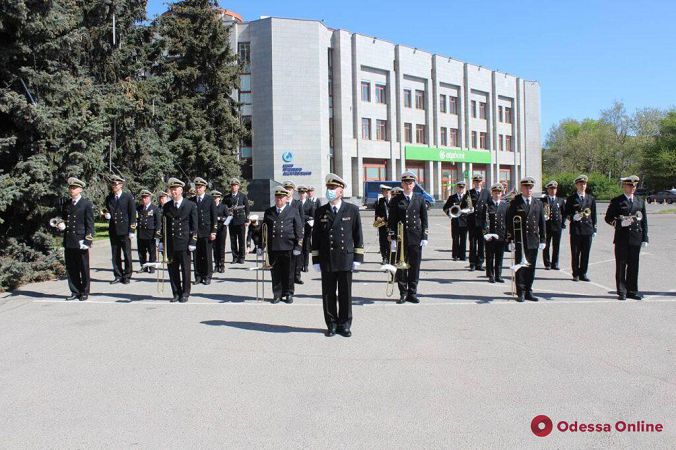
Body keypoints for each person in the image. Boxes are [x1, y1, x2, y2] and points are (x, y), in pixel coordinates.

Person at [312, 174, 364, 337]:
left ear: (341, 191)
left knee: (345, 293)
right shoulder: (320, 211)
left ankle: (345, 323)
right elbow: (316, 237)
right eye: (328, 188)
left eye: (333, 188)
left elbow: (358, 236)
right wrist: (315, 259)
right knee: (328, 293)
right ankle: (331, 323)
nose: (330, 191)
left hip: (345, 258)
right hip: (327, 258)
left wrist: (358, 258)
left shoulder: (352, 210)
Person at [604, 175, 649, 300]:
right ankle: (622, 291)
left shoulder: (640, 201)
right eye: (630, 185)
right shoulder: (617, 201)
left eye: (634, 186)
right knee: (621, 265)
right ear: (624, 186)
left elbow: (644, 220)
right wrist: (618, 223)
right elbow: (608, 218)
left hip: (636, 237)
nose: (632, 188)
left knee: (634, 265)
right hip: (622, 238)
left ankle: (632, 291)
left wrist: (645, 237)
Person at [388, 171, 429, 304]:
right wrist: (393, 237)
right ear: (402, 184)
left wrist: (424, 236)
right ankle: (403, 293)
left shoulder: (420, 199)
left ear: (414, 184)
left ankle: (412, 292)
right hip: (401, 238)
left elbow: (424, 219)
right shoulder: (395, 200)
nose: (408, 185)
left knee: (415, 266)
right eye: (406, 183)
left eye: (410, 183)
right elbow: (391, 220)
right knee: (401, 267)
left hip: (416, 237)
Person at [506, 176, 546, 302]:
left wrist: (543, 239)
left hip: (533, 239)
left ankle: (529, 290)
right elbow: (508, 222)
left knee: (531, 267)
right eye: (526, 187)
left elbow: (542, 223)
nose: (528, 189)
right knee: (520, 266)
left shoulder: (538, 203)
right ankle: (521, 292)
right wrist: (510, 239)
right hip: (520, 240)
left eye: (530, 187)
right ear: (521, 188)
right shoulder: (515, 202)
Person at [263, 187, 303, 304]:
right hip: (273, 247)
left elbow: (299, 230)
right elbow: (264, 230)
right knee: (275, 272)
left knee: (289, 272)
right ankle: (277, 294)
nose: (279, 200)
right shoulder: (269, 212)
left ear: (286, 198)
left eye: (281, 198)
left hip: (288, 247)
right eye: (277, 197)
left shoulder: (293, 211)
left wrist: (298, 246)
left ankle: (289, 293)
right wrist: (260, 245)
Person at [57, 177, 94, 301]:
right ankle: (75, 291)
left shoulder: (86, 204)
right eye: (70, 188)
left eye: (74, 188)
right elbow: (63, 218)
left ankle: (84, 291)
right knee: (71, 267)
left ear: (80, 189)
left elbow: (90, 224)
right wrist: (61, 225)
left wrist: (88, 240)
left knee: (83, 267)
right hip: (69, 239)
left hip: (81, 240)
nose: (71, 190)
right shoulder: (67, 204)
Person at [162, 178, 198, 303]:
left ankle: (185, 292)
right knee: (172, 270)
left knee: (185, 269)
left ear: (181, 190)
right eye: (171, 190)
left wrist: (193, 241)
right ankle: (176, 292)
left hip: (184, 242)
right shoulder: (167, 206)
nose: (173, 192)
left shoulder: (190, 205)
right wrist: (162, 242)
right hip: (171, 243)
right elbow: (164, 226)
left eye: (175, 190)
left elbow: (194, 226)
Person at [103, 174, 136, 284]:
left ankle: (127, 275)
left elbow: (132, 214)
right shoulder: (109, 198)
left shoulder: (128, 197)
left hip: (125, 229)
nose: (114, 186)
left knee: (127, 254)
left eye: (116, 184)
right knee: (115, 254)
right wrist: (106, 216)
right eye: (112, 184)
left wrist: (132, 230)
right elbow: (106, 211)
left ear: (121, 185)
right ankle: (117, 275)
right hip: (113, 229)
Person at [565, 174, 597, 282]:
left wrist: (594, 229)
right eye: (580, 184)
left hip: (587, 229)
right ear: (576, 185)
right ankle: (575, 273)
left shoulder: (591, 198)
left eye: (584, 184)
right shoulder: (571, 199)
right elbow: (566, 212)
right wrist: (572, 217)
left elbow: (594, 215)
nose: (582, 186)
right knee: (575, 252)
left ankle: (583, 273)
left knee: (585, 253)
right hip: (576, 229)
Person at [190, 177, 217, 285]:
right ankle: (198, 276)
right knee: (196, 255)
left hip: (207, 232)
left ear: (204, 188)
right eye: (196, 187)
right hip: (195, 232)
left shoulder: (210, 199)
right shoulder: (191, 201)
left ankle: (207, 275)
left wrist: (214, 231)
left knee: (207, 255)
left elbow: (214, 217)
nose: (198, 189)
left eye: (200, 187)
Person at [481, 183, 509, 283]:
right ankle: (491, 275)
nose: (497, 195)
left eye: (499, 193)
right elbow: (483, 221)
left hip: (501, 235)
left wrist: (507, 236)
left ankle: (498, 275)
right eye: (495, 192)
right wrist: (485, 234)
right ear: (492, 193)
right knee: (489, 256)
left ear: (501, 194)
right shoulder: (487, 205)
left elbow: (507, 221)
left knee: (499, 257)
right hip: (490, 235)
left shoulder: (505, 205)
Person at [282, 181, 305, 284]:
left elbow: (301, 218)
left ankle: (297, 275)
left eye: (290, 189)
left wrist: (301, 231)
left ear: (293, 191)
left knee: (297, 255)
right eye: (286, 189)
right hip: (286, 234)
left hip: (296, 233)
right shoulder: (281, 203)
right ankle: (287, 276)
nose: (288, 191)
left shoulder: (297, 203)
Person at [466, 175, 490, 271]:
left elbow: (490, 204)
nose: (477, 183)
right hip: (472, 222)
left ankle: (480, 263)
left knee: (481, 244)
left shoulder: (486, 192)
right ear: (473, 182)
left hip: (482, 222)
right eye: (476, 181)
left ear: (482, 182)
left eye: (479, 181)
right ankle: (472, 263)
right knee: (472, 244)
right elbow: (464, 205)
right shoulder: (469, 193)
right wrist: (468, 208)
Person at [541, 181, 566, 270]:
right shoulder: (543, 200)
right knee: (546, 246)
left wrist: (563, 223)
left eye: (554, 189)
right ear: (547, 190)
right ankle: (547, 264)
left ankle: (555, 263)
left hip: (557, 226)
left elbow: (564, 213)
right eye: (551, 189)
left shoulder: (561, 200)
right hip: (546, 226)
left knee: (556, 246)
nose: (552, 190)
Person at [224, 178, 249, 264]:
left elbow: (247, 208)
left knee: (241, 240)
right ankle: (235, 257)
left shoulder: (242, 196)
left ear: (238, 187)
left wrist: (247, 220)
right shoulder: (227, 197)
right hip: (231, 221)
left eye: (235, 185)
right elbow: (224, 208)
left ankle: (242, 257)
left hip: (241, 220)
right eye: (232, 186)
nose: (234, 187)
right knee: (233, 240)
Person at [136, 190, 162, 274]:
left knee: (152, 251)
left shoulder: (155, 208)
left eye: (146, 197)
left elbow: (158, 222)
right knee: (141, 251)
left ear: (150, 198)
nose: (144, 199)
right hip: (141, 232)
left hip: (151, 233)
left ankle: (152, 267)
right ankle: (143, 267)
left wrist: (157, 233)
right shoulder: (139, 208)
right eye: (143, 198)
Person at [442, 181, 468, 261]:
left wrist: (465, 211)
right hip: (455, 221)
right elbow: (445, 208)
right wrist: (449, 214)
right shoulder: (452, 197)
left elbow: (470, 208)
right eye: (459, 188)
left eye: (462, 188)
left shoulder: (466, 197)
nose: (461, 189)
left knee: (463, 239)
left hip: (464, 221)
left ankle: (463, 256)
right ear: (457, 188)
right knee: (455, 239)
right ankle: (455, 255)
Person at [298, 186, 316, 272]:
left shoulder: (310, 204)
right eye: (300, 193)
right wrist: (306, 217)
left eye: (303, 193)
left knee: (306, 247)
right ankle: (300, 264)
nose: (302, 195)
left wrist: (303, 217)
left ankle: (305, 265)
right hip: (298, 229)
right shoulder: (296, 203)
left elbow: (312, 217)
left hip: (307, 228)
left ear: (306, 194)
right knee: (299, 247)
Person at [374, 184, 392, 264]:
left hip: (391, 226)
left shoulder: (394, 200)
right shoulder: (380, 201)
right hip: (382, 225)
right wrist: (377, 218)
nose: (385, 193)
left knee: (390, 243)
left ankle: (390, 257)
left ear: (389, 192)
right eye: (383, 192)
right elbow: (376, 213)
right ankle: (384, 258)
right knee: (382, 243)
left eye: (386, 191)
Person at [212, 190, 228, 273]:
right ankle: (216, 265)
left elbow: (228, 217)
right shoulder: (211, 206)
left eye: (216, 197)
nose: (215, 199)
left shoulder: (223, 206)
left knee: (221, 248)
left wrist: (220, 219)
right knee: (214, 248)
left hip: (222, 229)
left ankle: (222, 265)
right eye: (213, 197)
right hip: (213, 230)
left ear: (219, 198)